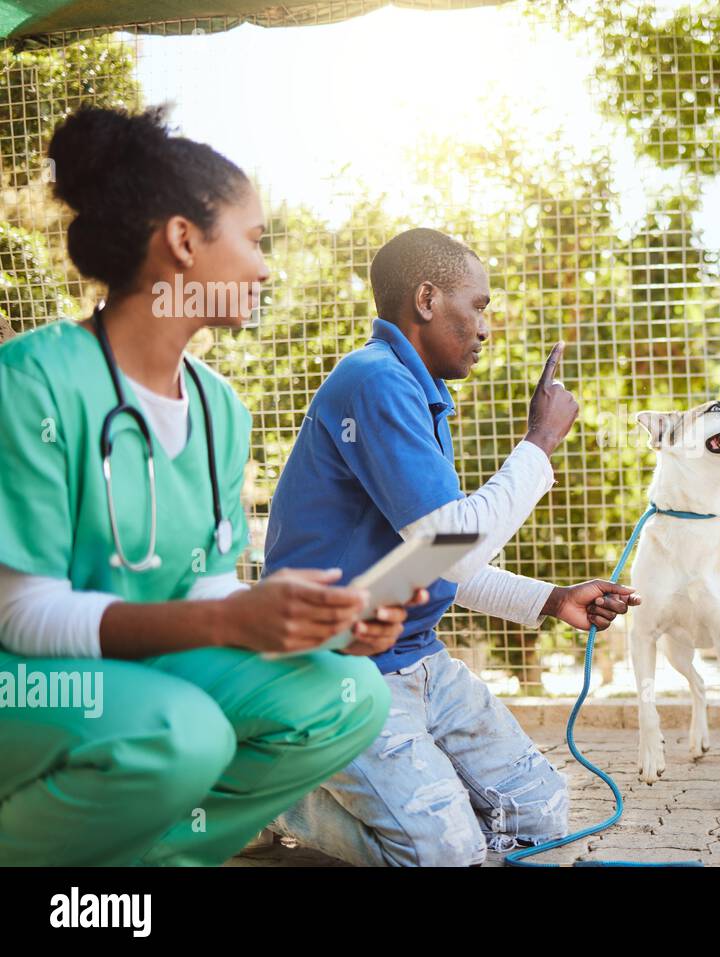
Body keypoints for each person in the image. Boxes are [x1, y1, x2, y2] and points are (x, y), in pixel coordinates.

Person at [0, 106, 417, 866]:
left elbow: (204, 589)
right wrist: (229, 625)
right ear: (183, 241)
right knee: (180, 733)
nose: (266, 267)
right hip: (25, 683)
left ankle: (148, 865)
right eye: (254, 239)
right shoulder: (31, 381)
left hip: (147, 676)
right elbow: (23, 616)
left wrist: (319, 622)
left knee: (349, 693)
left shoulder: (221, 410)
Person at [263, 227, 641, 866]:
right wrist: (538, 443)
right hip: (333, 672)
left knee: (540, 814)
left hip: (416, 661)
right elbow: (455, 546)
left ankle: (411, 811)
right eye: (480, 304)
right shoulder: (374, 381)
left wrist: (550, 599)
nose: (487, 326)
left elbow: (434, 560)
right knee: (444, 851)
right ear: (429, 298)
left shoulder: (416, 394)